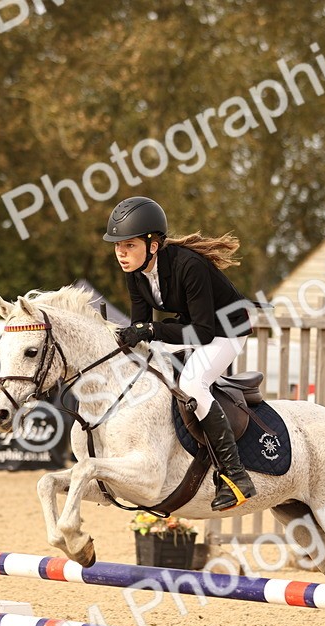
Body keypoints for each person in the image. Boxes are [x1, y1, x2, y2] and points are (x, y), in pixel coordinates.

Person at [103, 195, 256, 512]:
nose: (121, 253)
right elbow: (141, 327)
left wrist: (150, 330)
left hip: (226, 330)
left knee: (192, 384)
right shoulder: (135, 273)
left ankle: (235, 476)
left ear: (153, 245)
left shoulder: (189, 266)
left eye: (129, 245)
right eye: (117, 246)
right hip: (193, 326)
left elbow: (202, 333)